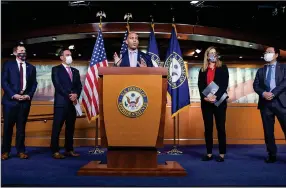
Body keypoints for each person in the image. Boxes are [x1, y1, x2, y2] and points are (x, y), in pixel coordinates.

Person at [1, 45, 38, 160]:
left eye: (24, 51)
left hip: (25, 102)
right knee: (8, 128)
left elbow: (34, 84)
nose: (23, 53)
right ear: (15, 53)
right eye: (21, 51)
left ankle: (21, 151)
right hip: (10, 102)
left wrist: (28, 95)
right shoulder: (8, 65)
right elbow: (4, 81)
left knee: (21, 129)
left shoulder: (31, 67)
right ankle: (5, 152)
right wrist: (14, 95)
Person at [253, 47, 286, 163]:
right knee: (268, 131)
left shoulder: (284, 67)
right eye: (266, 52)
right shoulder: (261, 70)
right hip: (265, 104)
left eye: (269, 52)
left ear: (276, 55)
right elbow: (256, 85)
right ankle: (272, 154)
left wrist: (273, 93)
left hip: (281, 103)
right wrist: (263, 93)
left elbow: (284, 82)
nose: (267, 54)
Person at [198, 46, 229, 162]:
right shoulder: (202, 70)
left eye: (215, 53)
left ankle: (221, 154)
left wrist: (215, 96)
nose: (213, 55)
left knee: (221, 127)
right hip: (206, 103)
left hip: (219, 102)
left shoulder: (223, 67)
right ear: (207, 55)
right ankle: (209, 153)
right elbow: (200, 86)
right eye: (210, 53)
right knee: (208, 128)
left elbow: (224, 84)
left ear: (217, 55)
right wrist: (205, 97)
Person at [50, 49, 82, 159]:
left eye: (71, 55)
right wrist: (70, 95)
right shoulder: (56, 70)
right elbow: (58, 85)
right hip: (61, 103)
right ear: (61, 57)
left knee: (70, 128)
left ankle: (69, 149)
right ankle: (55, 150)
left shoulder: (75, 71)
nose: (70, 57)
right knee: (57, 128)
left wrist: (76, 94)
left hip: (72, 104)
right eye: (67, 55)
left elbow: (79, 86)